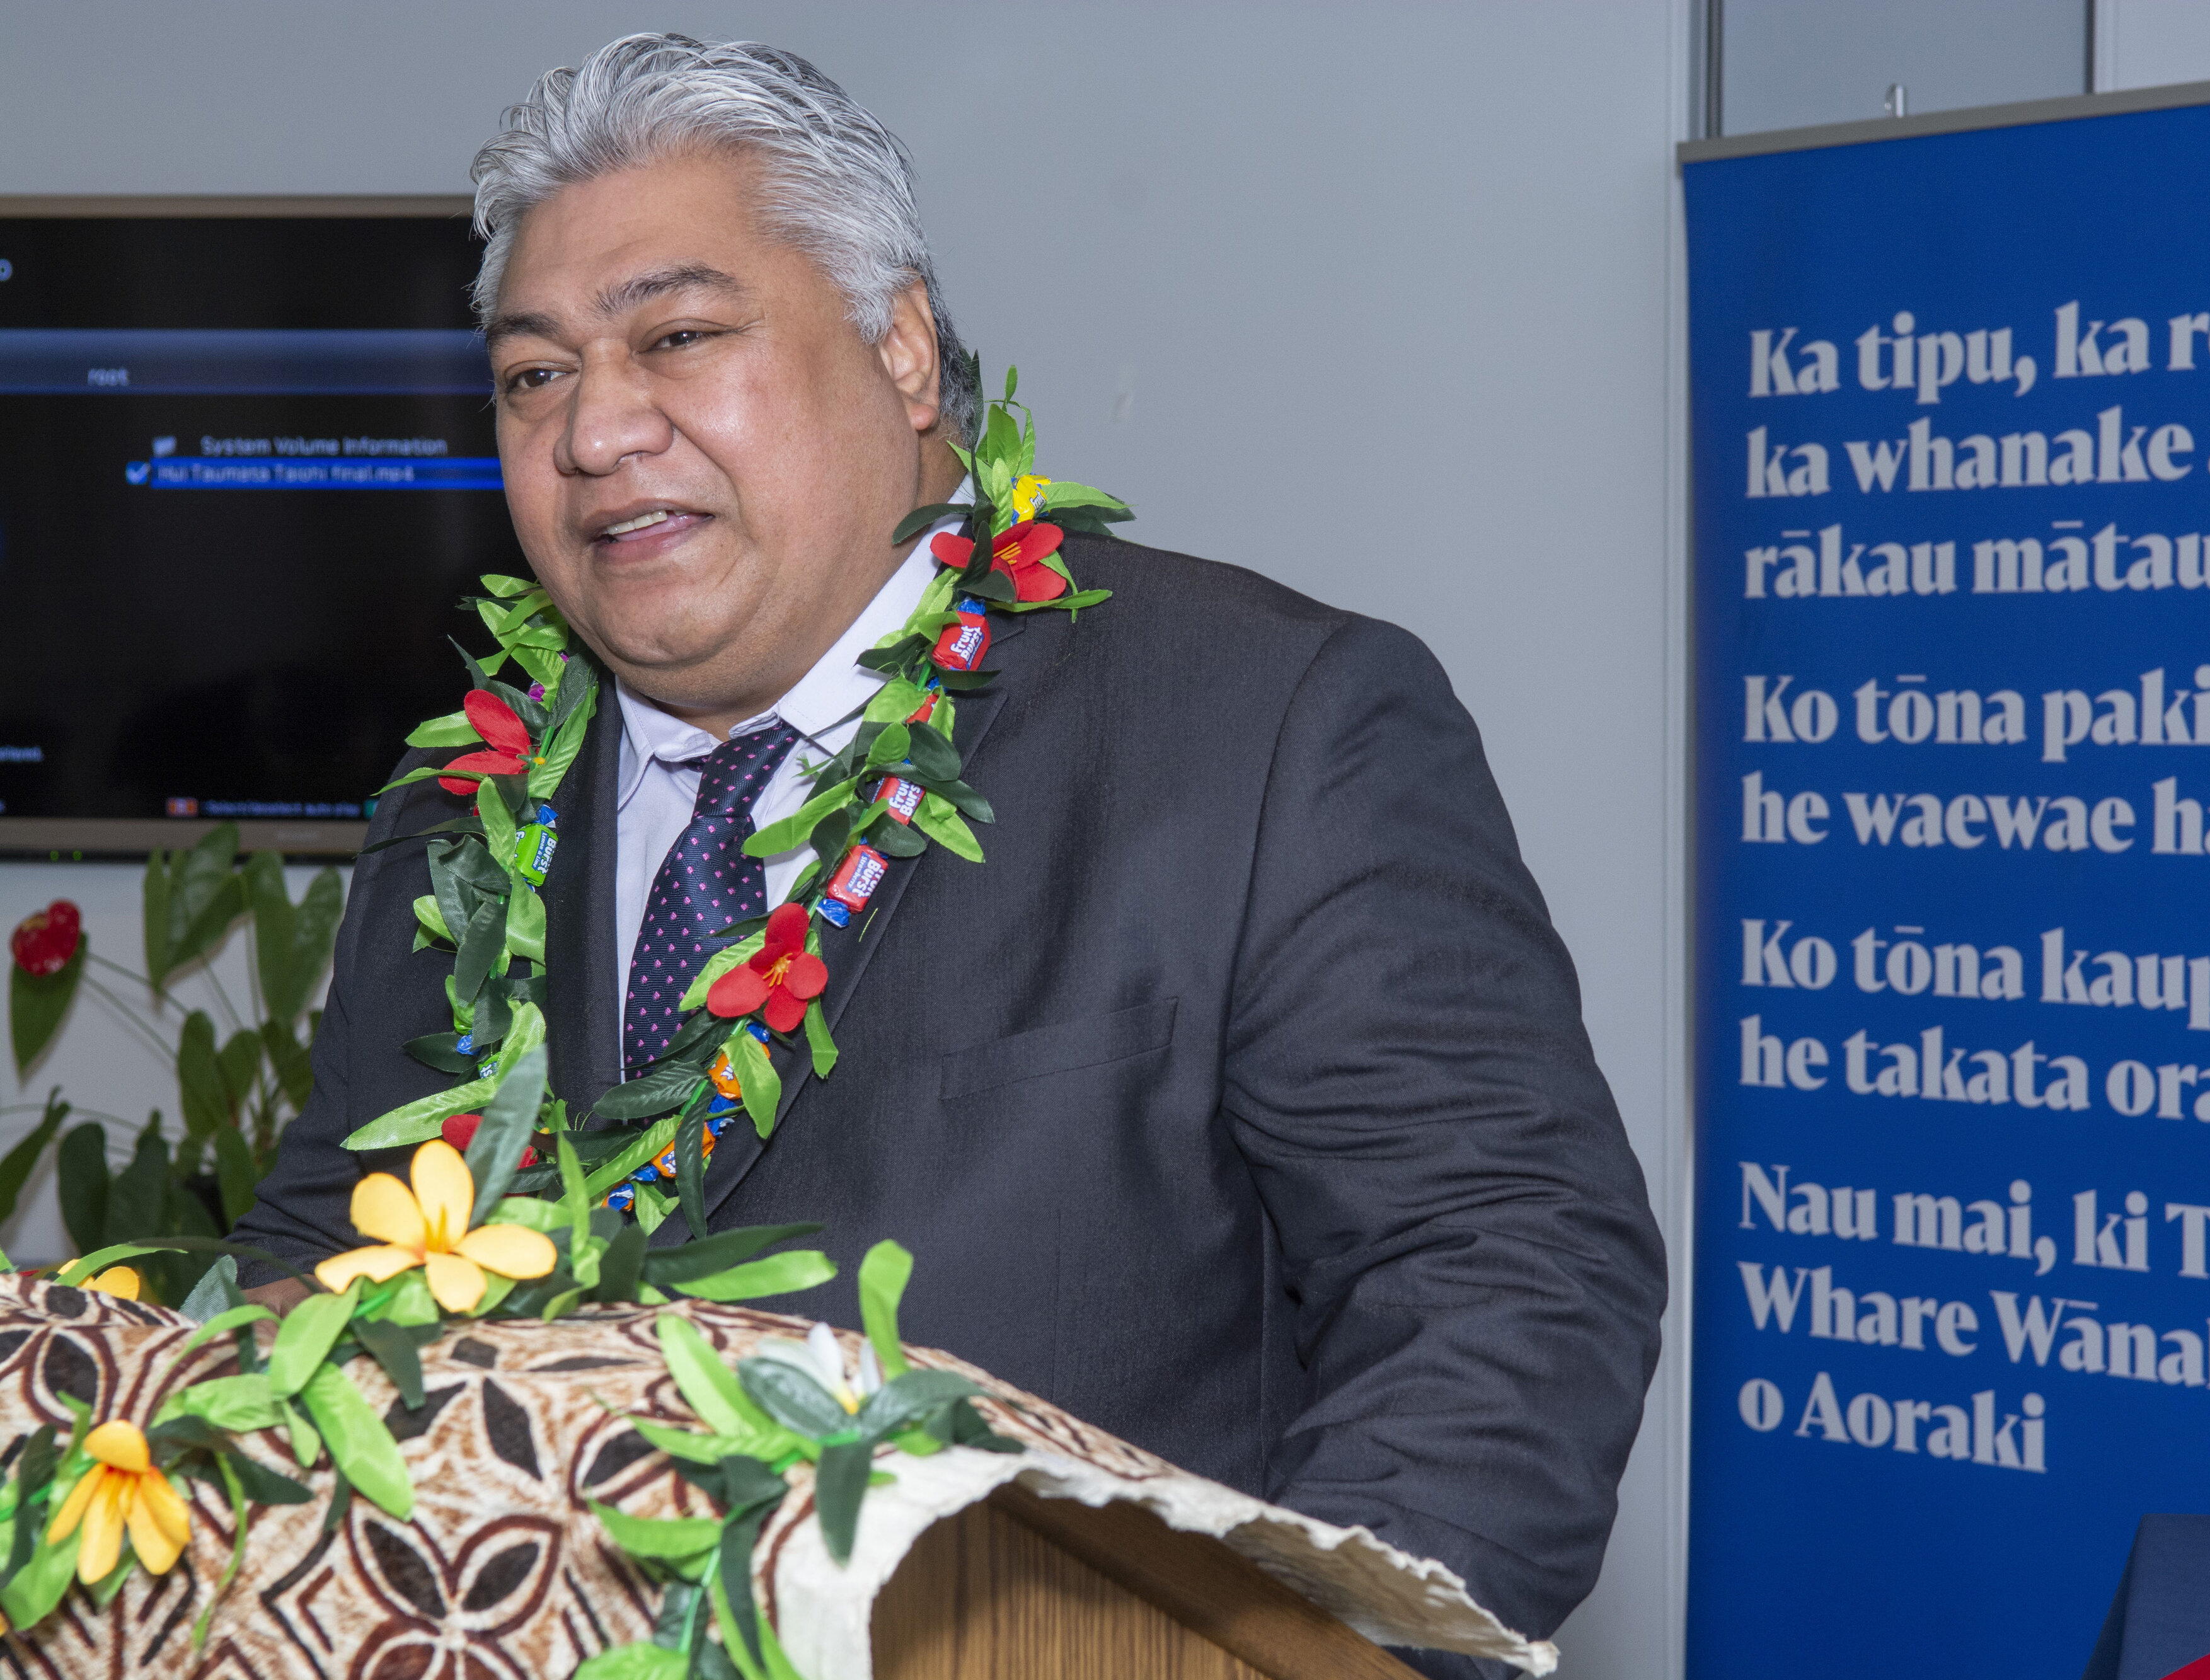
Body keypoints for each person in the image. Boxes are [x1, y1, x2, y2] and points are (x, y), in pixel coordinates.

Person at [233, 34, 1663, 1676]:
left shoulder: (1261, 728)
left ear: (901, 347)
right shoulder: (453, 822)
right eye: (534, 373)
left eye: (678, 336)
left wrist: (1286, 1662)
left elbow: (1506, 1274)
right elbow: (314, 1261)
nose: (596, 429)